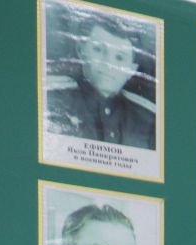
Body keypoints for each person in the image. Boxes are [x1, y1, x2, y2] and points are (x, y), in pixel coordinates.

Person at [44, 15, 155, 149]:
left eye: (119, 58)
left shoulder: (148, 118)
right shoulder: (50, 96)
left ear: (131, 70)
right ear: (81, 50)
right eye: (98, 49)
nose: (108, 64)